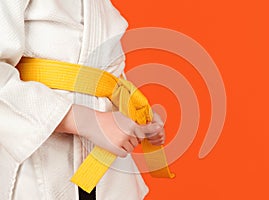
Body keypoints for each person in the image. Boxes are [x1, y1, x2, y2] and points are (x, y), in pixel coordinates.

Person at [0, 0, 166, 199]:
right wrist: (87, 121)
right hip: (40, 159)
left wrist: (135, 111)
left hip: (107, 166)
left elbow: (99, 75)